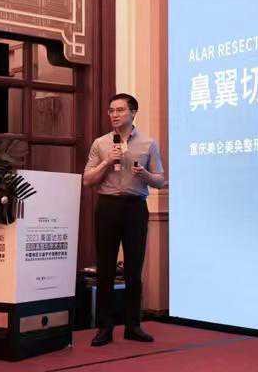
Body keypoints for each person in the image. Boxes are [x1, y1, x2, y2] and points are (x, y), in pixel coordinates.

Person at [83, 93, 165, 346]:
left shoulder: (148, 143)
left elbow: (160, 180)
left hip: (135, 208)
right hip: (107, 206)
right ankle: (104, 327)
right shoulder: (100, 143)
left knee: (134, 268)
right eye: (111, 110)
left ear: (133, 112)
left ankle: (133, 326)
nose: (114, 115)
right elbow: (87, 180)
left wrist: (145, 174)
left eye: (120, 110)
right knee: (106, 268)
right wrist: (108, 161)